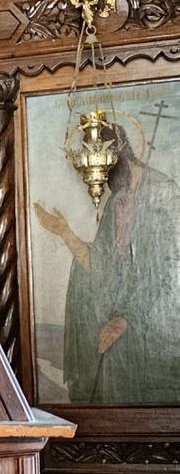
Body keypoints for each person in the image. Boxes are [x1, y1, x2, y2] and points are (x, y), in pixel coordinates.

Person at [34, 127, 180, 402]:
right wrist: (65, 233)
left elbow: (166, 272)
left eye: (104, 167)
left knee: (116, 352)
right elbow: (100, 264)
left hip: (152, 321)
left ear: (120, 152)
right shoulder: (117, 201)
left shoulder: (164, 191)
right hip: (121, 313)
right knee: (96, 341)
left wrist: (127, 320)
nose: (101, 178)